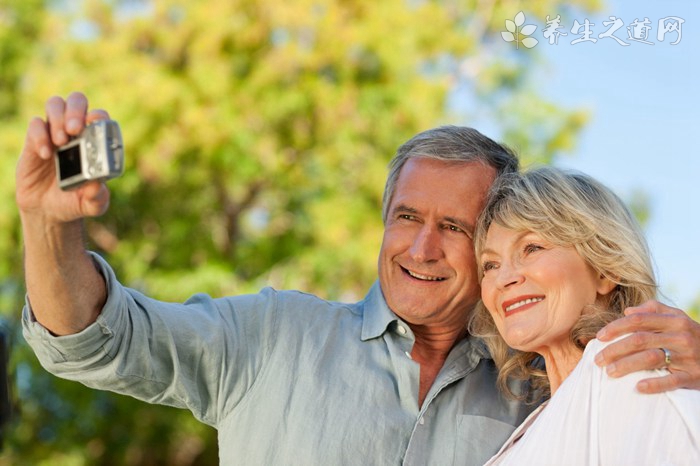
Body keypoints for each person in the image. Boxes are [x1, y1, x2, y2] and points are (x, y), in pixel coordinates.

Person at [16, 93, 700, 465]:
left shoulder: (543, 393)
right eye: (406, 217)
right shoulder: (271, 336)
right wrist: (48, 225)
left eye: (457, 231)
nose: (421, 246)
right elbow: (94, 339)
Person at [470, 166, 700, 465]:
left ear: (606, 269)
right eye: (490, 265)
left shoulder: (628, 379)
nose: (503, 278)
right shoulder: (554, 412)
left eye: (532, 247)